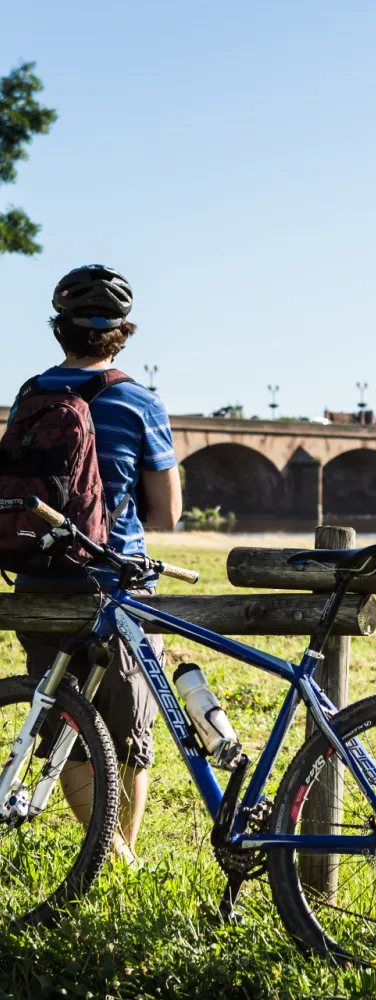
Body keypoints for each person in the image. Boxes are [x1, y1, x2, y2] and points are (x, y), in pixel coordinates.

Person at [12, 264, 182, 864]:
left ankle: (111, 861)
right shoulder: (140, 401)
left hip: (40, 583)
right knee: (129, 737)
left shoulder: (31, 396)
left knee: (67, 729)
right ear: (121, 334)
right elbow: (168, 514)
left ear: (59, 329)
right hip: (115, 586)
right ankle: (124, 864)